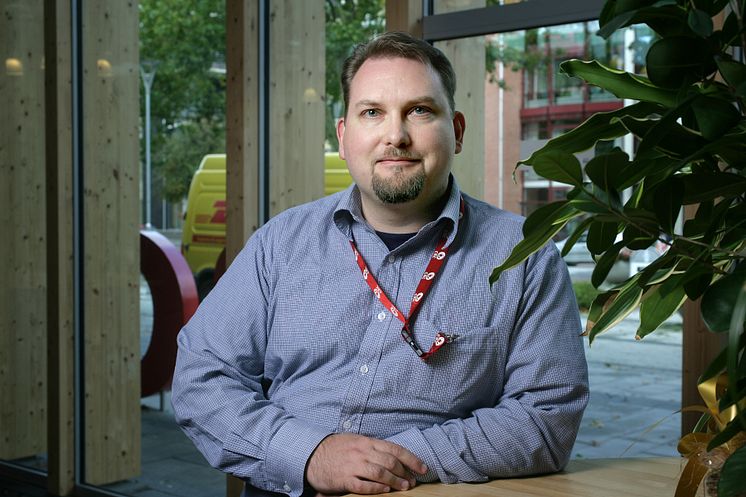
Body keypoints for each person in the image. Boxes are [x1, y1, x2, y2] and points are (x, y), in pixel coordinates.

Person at [172, 31, 588, 497]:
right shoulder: (280, 244)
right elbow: (201, 378)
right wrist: (310, 453)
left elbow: (546, 417)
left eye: (420, 111)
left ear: (458, 130)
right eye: (372, 112)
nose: (396, 135)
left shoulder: (524, 256)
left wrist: (399, 462)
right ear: (344, 135)